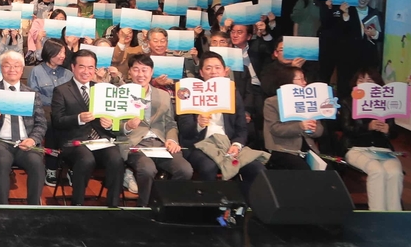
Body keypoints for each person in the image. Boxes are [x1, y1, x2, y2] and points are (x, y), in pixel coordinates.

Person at [176, 53, 267, 188]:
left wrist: (236, 145)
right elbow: (185, 131)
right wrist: (199, 125)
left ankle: (240, 201)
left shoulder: (232, 93)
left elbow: (241, 128)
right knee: (209, 166)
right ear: (201, 72)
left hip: (227, 145)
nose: (213, 72)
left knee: (258, 169)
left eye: (217, 68)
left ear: (225, 71)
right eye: (208, 68)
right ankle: (211, 201)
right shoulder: (189, 92)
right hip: (198, 145)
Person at [49, 49, 125, 207]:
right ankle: (78, 204)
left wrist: (110, 123)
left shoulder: (101, 89)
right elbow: (57, 121)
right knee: (86, 159)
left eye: (91, 67)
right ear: (73, 67)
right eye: (82, 67)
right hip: (74, 141)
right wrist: (78, 118)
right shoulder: (61, 91)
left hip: (99, 140)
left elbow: (113, 117)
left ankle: (113, 205)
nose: (86, 71)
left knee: (116, 158)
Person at [119, 55, 193, 206]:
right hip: (135, 143)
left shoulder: (163, 95)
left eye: (144, 70)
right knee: (147, 169)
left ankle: (166, 204)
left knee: (185, 170)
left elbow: (171, 123)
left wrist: (171, 140)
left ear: (152, 72)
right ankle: (144, 207)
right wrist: (127, 126)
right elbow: (113, 125)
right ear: (129, 72)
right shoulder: (121, 93)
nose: (140, 74)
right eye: (136, 70)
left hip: (160, 143)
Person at [0, 52, 47, 205]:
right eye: (7, 66)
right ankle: (3, 207)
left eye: (16, 66)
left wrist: (33, 139)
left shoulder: (32, 93)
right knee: (2, 161)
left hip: (25, 142)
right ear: (1, 68)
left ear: (22, 69)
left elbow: (41, 123)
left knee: (36, 163)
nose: (12, 69)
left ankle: (34, 208)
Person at [339, 67, 403, 211]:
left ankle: (395, 214)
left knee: (395, 173)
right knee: (377, 171)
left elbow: (394, 133)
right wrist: (367, 127)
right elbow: (346, 128)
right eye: (361, 80)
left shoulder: (386, 102)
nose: (365, 84)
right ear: (355, 83)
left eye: (369, 80)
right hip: (355, 148)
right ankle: (377, 213)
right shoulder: (348, 102)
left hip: (382, 149)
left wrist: (387, 130)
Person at [261, 65, 324, 171]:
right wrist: (300, 126)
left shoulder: (308, 101)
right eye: (301, 79)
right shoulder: (272, 102)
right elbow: (275, 129)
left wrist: (313, 129)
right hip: (283, 150)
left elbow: (320, 129)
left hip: (308, 149)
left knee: (329, 170)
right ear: (288, 81)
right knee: (303, 170)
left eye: (304, 79)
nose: (305, 82)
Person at [29, 39, 71, 113]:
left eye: (64, 53)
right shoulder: (36, 71)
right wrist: (55, 102)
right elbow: (34, 95)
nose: (63, 56)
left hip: (66, 113)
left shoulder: (68, 73)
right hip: (44, 112)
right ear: (49, 52)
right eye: (59, 53)